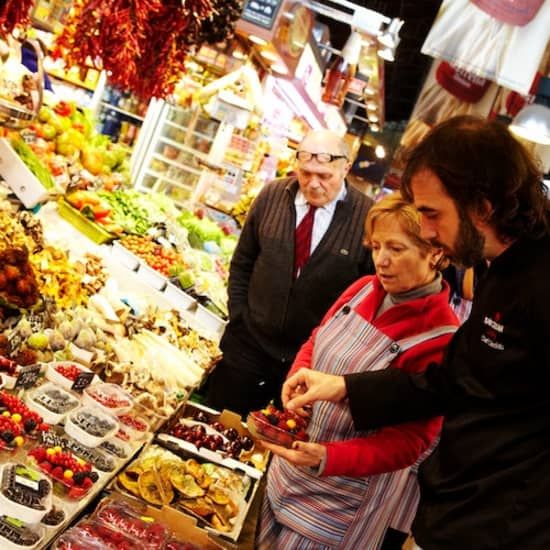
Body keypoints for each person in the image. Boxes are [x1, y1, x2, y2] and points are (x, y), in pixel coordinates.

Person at [282, 116, 550, 549]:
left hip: (503, 527)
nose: (426, 230)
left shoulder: (541, 284)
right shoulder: (492, 268)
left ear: (482, 207)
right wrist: (344, 387)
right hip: (452, 511)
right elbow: (451, 380)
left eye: (431, 213)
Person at [257, 192, 459, 550]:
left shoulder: (441, 337)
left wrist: (328, 457)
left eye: (396, 249)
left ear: (436, 252)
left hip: (338, 505)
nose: (381, 260)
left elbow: (412, 442)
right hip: (286, 473)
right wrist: (298, 376)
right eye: (376, 245)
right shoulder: (361, 289)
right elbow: (317, 339)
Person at [205, 130, 375, 417]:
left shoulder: (367, 217)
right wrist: (239, 316)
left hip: (309, 364)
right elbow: (243, 261)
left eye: (324, 176)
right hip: (248, 346)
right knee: (217, 421)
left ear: (345, 167)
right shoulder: (273, 195)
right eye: (305, 173)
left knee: (275, 443)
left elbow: (366, 296)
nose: (313, 183)